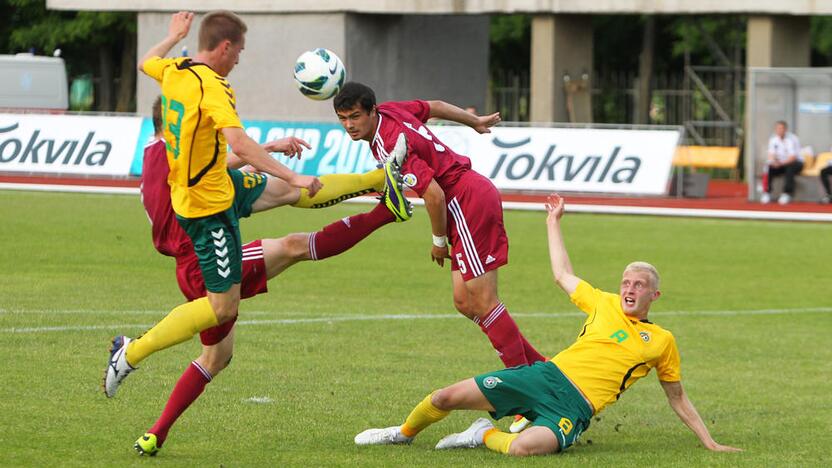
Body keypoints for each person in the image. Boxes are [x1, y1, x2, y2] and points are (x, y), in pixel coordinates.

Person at [353, 193, 742, 457]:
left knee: (524, 449)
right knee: (444, 398)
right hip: (545, 377)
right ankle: (401, 434)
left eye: (639, 285)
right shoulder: (602, 302)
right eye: (626, 281)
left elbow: (677, 397)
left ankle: (481, 434)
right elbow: (561, 273)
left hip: (576, 407)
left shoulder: (661, 341)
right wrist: (553, 221)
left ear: (654, 295)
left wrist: (708, 442)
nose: (629, 288)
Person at [132, 96, 409, 456]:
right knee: (293, 243)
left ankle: (155, 433)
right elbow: (210, 163)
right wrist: (266, 154)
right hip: (207, 261)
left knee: (216, 358)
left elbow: (213, 163)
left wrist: (267, 150)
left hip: (201, 242)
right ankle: (386, 205)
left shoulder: (158, 154)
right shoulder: (172, 154)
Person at [333, 83, 546, 379]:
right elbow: (434, 106)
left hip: (465, 201)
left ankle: (528, 387)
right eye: (343, 119)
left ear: (371, 110)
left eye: (355, 116)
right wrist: (474, 121)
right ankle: (542, 369)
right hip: (464, 200)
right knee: (464, 301)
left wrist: (438, 242)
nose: (349, 125)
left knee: (484, 301)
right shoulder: (391, 110)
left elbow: (434, 195)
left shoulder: (388, 142)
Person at [762, 121, 804, 205]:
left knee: (790, 167)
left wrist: (781, 164)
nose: (779, 130)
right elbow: (771, 154)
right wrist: (773, 162)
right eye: (777, 128)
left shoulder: (792, 139)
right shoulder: (773, 139)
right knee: (768, 167)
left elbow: (793, 157)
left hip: (796, 163)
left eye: (781, 128)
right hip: (780, 163)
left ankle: (786, 193)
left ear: (785, 129)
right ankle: (767, 192)